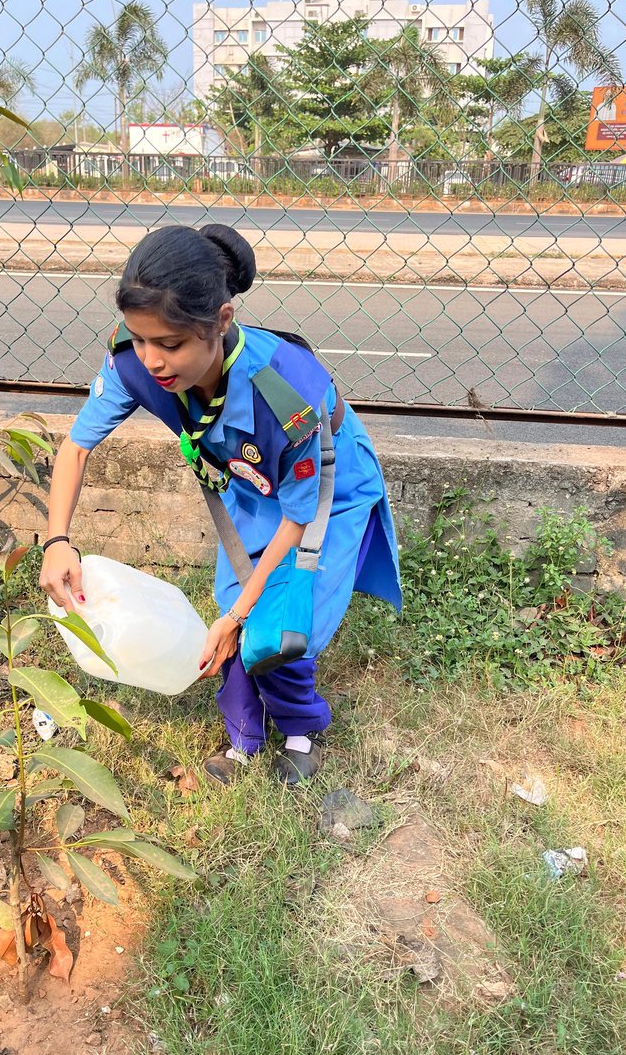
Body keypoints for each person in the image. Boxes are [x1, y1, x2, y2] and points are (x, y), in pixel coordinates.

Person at [39, 224, 401, 786]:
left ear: (223, 321)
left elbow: (301, 516)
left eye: (171, 344)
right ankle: (244, 742)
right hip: (251, 483)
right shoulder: (133, 359)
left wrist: (235, 620)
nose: (152, 360)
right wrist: (57, 539)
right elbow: (78, 445)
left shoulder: (286, 393)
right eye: (140, 339)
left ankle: (301, 735)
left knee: (273, 629)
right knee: (230, 604)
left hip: (322, 490)